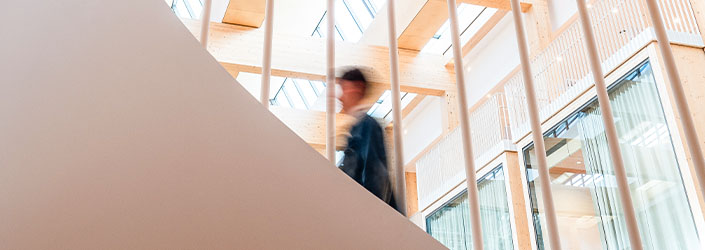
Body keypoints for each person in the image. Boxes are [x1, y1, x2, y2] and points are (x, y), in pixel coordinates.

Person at [337, 68, 400, 213]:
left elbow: (376, 173)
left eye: (343, 89)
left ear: (357, 88)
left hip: (372, 215)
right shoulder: (357, 129)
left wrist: (372, 214)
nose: (339, 98)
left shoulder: (367, 126)